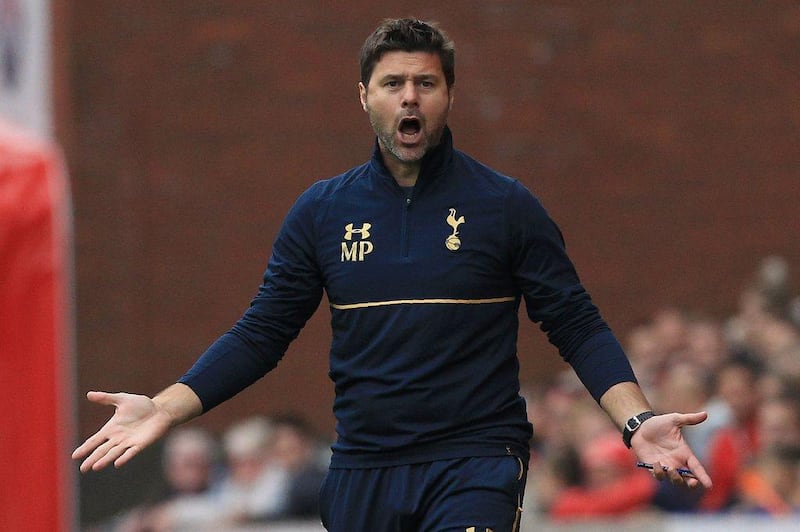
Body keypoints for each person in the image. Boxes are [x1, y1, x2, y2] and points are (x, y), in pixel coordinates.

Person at [73, 17, 712, 531]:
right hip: (363, 468)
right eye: (393, 83)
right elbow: (262, 333)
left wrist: (635, 421)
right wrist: (165, 407)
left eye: (426, 84)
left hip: (475, 461)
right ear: (364, 96)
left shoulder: (504, 205)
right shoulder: (322, 211)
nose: (410, 96)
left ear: (448, 95)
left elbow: (576, 322)